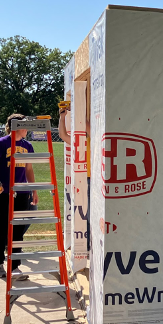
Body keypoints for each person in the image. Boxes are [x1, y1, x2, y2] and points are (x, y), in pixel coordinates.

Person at [0, 113, 39, 279]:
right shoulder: (1, 143)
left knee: (18, 231)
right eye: (25, 126)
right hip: (5, 193)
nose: (27, 129)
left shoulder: (28, 146)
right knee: (2, 229)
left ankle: (15, 267)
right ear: (16, 126)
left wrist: (34, 190)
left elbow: (29, 170)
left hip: (23, 194)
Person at [58, 94, 91, 252]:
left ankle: (90, 246)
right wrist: (63, 117)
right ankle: (87, 246)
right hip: (81, 178)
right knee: (83, 214)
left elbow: (88, 127)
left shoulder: (92, 136)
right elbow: (63, 135)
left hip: (92, 178)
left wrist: (77, 111)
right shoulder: (80, 139)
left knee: (90, 213)